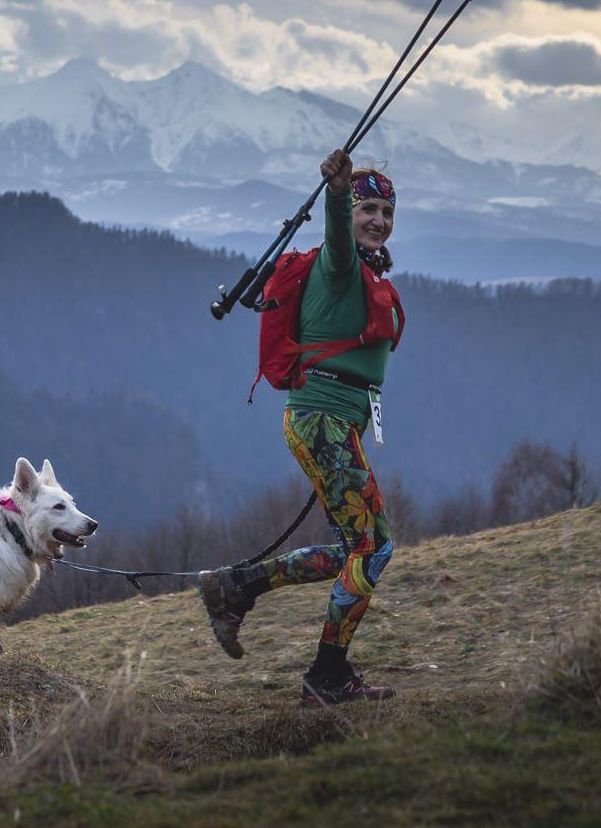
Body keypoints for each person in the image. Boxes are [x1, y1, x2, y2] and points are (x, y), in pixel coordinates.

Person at [199, 148, 402, 706]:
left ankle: (236, 587)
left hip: (329, 422)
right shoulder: (338, 265)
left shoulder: (358, 272)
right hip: (324, 421)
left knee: (355, 549)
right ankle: (327, 677)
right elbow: (338, 237)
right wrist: (338, 195)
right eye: (369, 209)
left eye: (386, 211)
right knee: (374, 549)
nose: (378, 220)